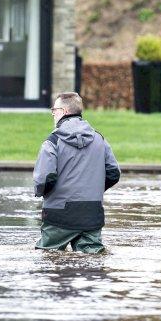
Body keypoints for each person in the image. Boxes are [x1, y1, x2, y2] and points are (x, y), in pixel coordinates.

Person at [33, 92, 120, 253]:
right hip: (92, 213)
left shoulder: (52, 141)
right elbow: (114, 173)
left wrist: (42, 194)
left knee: (47, 258)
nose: (53, 114)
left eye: (54, 110)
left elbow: (44, 179)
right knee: (92, 263)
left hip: (59, 214)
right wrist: (94, 189)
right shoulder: (99, 139)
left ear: (64, 112)